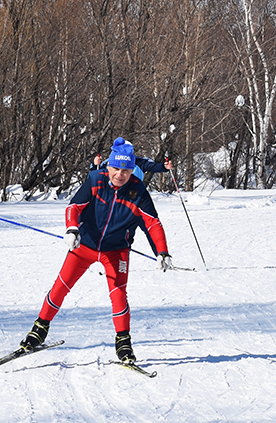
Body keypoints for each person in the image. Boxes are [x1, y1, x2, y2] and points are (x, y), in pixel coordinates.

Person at [20, 137, 175, 363]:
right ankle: (40, 327)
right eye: (115, 168)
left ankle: (123, 343)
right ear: (108, 166)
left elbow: (152, 223)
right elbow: (75, 206)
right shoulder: (95, 180)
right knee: (60, 287)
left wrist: (162, 252)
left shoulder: (138, 191)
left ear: (132, 170)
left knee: (119, 295)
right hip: (85, 245)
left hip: (116, 250)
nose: (119, 174)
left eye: (126, 170)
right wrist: (72, 229)